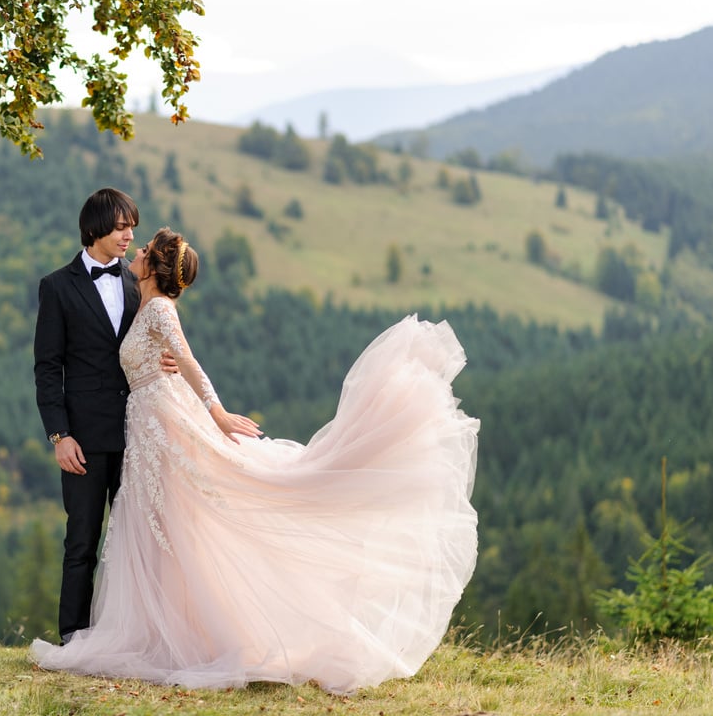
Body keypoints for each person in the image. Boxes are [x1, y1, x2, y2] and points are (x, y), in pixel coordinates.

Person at [31, 227, 479, 693]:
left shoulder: (160, 307)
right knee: (160, 529)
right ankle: (163, 630)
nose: (135, 250)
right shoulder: (139, 299)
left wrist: (217, 412)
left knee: (184, 521)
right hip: (145, 426)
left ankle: (188, 636)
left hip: (164, 424)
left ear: (156, 266)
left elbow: (187, 360)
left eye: (144, 249)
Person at [33, 187, 175, 645]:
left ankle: (137, 634)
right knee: (81, 544)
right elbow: (47, 367)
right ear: (94, 229)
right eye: (120, 227)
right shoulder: (56, 287)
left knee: (139, 541)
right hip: (84, 439)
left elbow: (153, 341)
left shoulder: (140, 283)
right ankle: (74, 637)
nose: (129, 235)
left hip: (138, 433)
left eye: (131, 226)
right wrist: (60, 435)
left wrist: (165, 363)